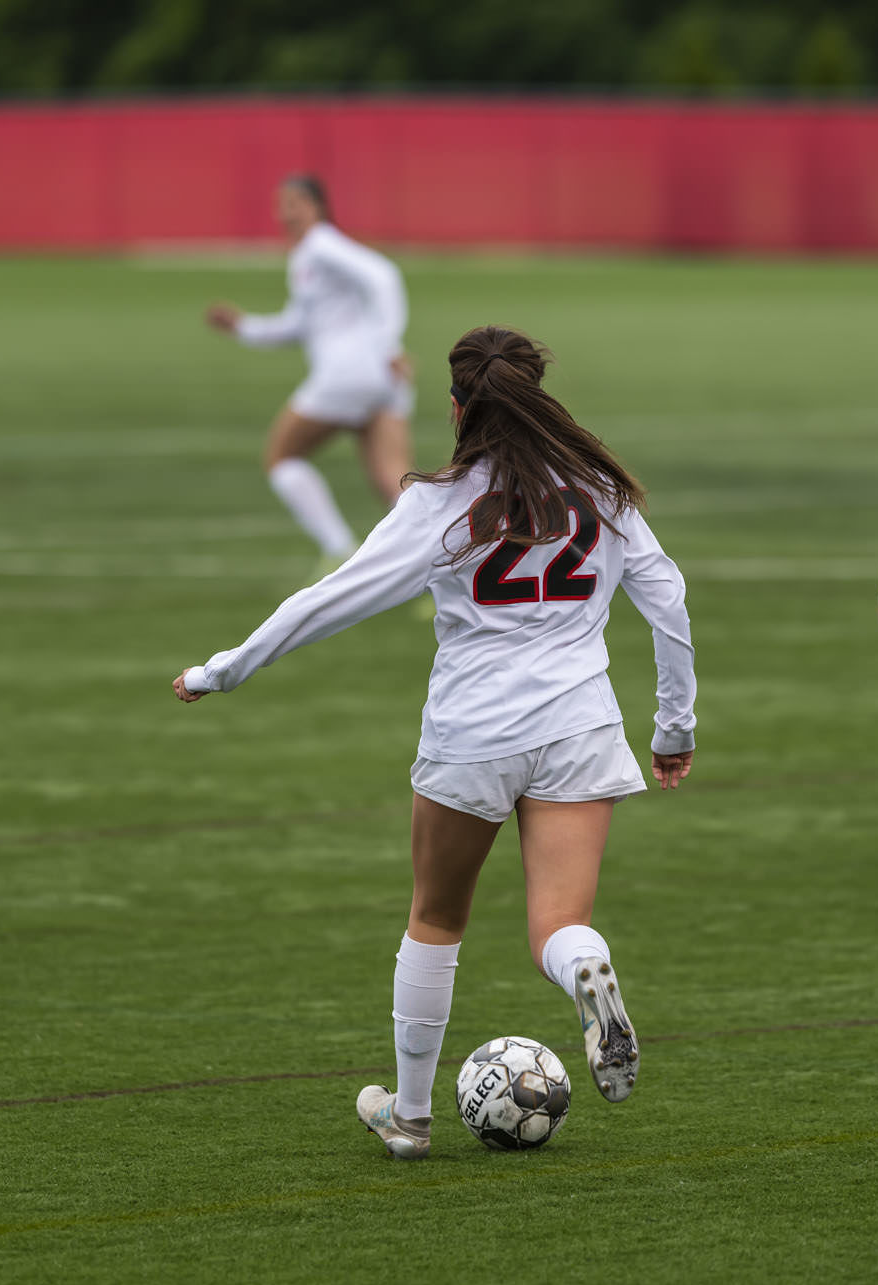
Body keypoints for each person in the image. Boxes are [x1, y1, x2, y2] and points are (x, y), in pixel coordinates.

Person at [171, 324, 697, 1161]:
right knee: (560, 922)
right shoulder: (603, 490)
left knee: (436, 916)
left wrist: (223, 669)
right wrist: (674, 727)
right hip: (582, 726)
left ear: (458, 410)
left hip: (473, 733)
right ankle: (589, 973)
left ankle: (410, 1116)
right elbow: (666, 600)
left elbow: (331, 598)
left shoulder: (440, 501)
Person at [205, 174, 414, 573]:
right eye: (281, 204)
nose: (286, 213)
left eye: (296, 203)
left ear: (318, 207)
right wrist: (243, 327)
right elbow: (299, 324)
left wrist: (387, 344)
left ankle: (340, 551)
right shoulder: (308, 256)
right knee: (394, 481)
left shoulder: (320, 245)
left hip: (349, 374)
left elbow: (384, 276)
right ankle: (446, 566)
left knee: (281, 457)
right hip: (382, 379)